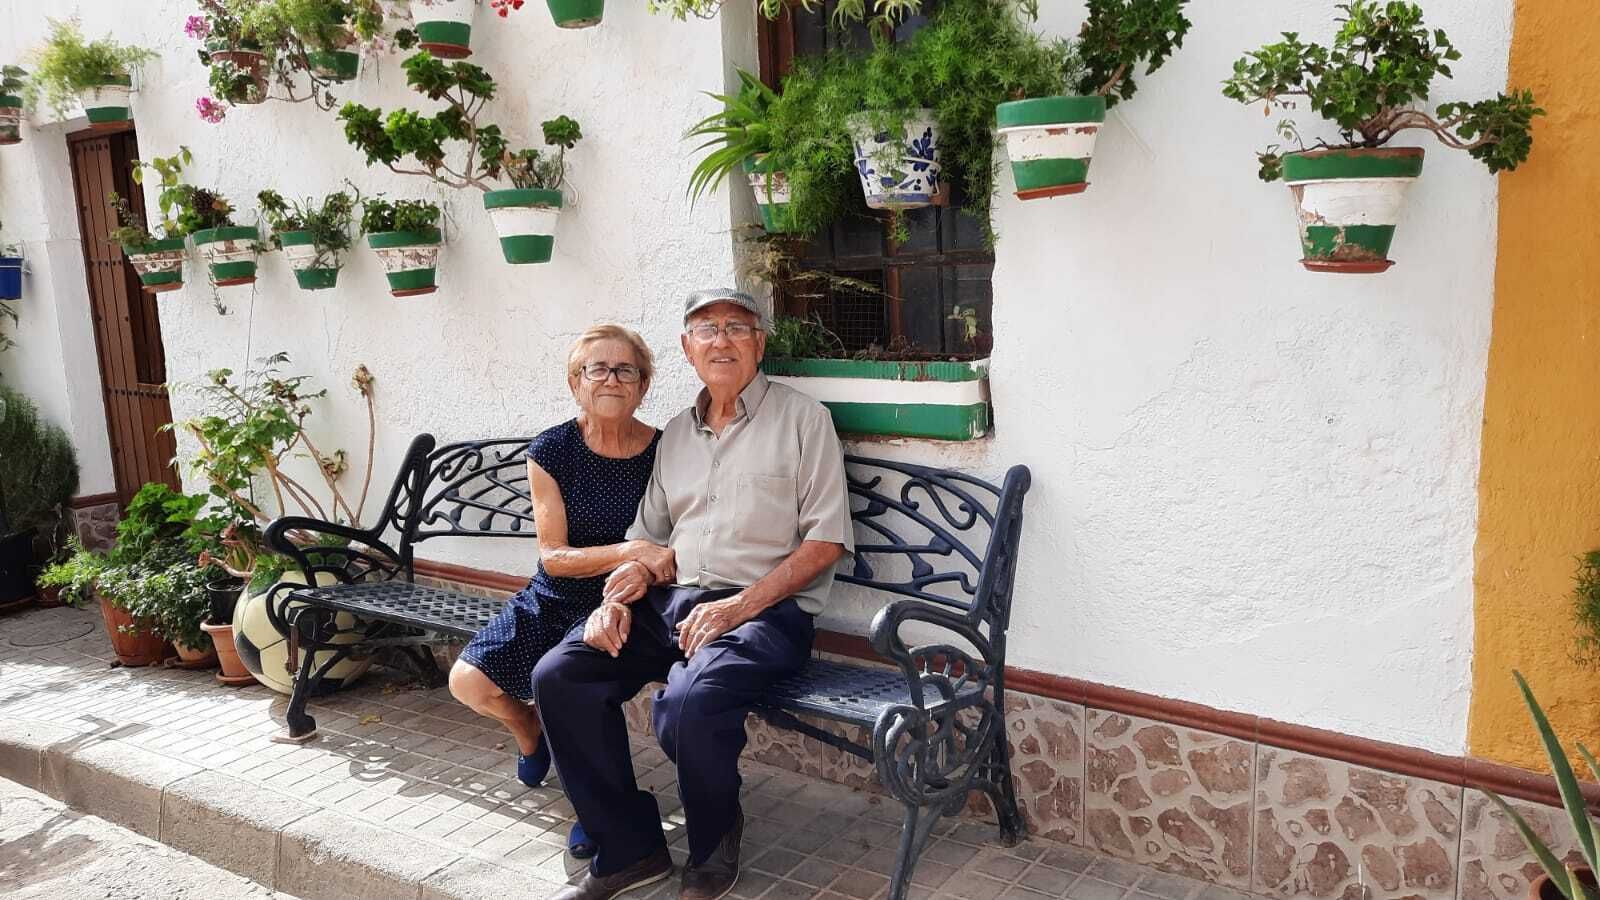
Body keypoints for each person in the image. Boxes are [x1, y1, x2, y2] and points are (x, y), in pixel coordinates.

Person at [533, 289, 855, 900]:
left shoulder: (802, 420)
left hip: (764, 612)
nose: (721, 340)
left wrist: (739, 605)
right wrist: (615, 598)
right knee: (561, 675)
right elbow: (650, 539)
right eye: (706, 329)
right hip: (674, 603)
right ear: (687, 348)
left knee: (687, 705)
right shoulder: (678, 434)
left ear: (759, 343)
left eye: (737, 327)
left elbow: (826, 541)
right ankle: (628, 848)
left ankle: (713, 837)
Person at [447, 323, 674, 859]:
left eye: (626, 370)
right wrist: (630, 548)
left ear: (643, 385)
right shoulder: (553, 449)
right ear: (576, 383)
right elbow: (553, 555)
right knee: (467, 683)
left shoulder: (665, 451)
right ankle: (529, 727)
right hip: (555, 594)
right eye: (597, 369)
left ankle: (594, 814)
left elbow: (671, 542)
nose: (612, 379)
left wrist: (639, 565)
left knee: (574, 692)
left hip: (625, 601)